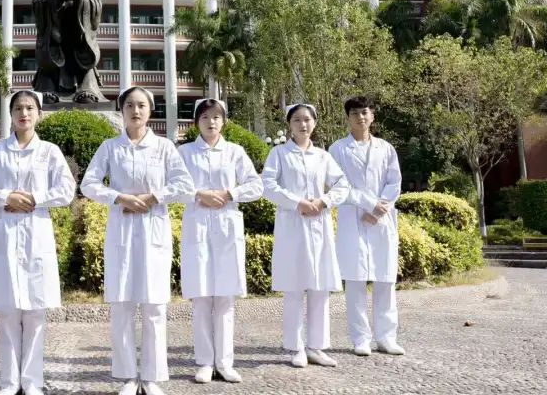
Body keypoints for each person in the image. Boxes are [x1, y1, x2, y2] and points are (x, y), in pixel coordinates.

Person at [81, 86, 196, 395]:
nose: (135, 110)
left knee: (154, 306)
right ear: (121, 110)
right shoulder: (110, 147)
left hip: (153, 230)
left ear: (150, 110)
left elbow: (185, 186)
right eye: (130, 105)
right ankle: (128, 377)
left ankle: (151, 377)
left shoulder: (164, 147)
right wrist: (119, 197)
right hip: (121, 230)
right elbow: (88, 184)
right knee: (122, 307)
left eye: (141, 105)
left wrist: (154, 196)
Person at [0, 90, 77, 395]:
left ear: (39, 113)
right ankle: (8, 382)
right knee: (7, 312)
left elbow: (66, 189)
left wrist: (33, 199)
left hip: (35, 233)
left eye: (30, 108)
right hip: (4, 234)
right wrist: (6, 196)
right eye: (18, 108)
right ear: (11, 114)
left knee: (35, 312)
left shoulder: (49, 152)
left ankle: (31, 382)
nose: (24, 113)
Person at [178, 99, 263, 384]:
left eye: (216, 117)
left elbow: (256, 185)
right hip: (198, 225)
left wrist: (230, 194)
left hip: (227, 226)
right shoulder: (184, 153)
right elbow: (171, 187)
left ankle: (225, 362)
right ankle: (204, 362)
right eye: (205, 117)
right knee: (202, 297)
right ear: (196, 122)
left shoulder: (235, 152)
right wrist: (198, 194)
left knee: (225, 298)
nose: (211, 122)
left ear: (224, 121)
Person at [261, 103, 349, 369]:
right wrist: (297, 202)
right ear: (289, 124)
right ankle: (296, 346)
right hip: (292, 225)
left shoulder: (322, 156)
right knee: (294, 287)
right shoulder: (279, 153)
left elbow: (342, 184)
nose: (303, 124)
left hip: (319, 224)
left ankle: (316, 347)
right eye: (297, 120)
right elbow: (268, 185)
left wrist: (323, 201)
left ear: (314, 123)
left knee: (320, 287)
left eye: (307, 119)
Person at [329, 96, 406, 357]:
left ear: (372, 116)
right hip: (353, 218)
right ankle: (360, 338)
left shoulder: (386, 148)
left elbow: (394, 182)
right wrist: (369, 204)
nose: (360, 117)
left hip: (382, 220)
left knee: (385, 280)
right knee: (356, 282)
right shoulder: (338, 149)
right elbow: (338, 186)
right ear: (348, 117)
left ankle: (387, 337)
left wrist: (380, 208)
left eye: (364, 112)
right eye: (355, 113)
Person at [31, 0, 108, 104]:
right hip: (55, 32)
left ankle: (86, 89)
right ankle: (48, 89)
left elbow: (96, 3)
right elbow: (37, 1)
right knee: (50, 58)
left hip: (78, 32)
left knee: (83, 55)